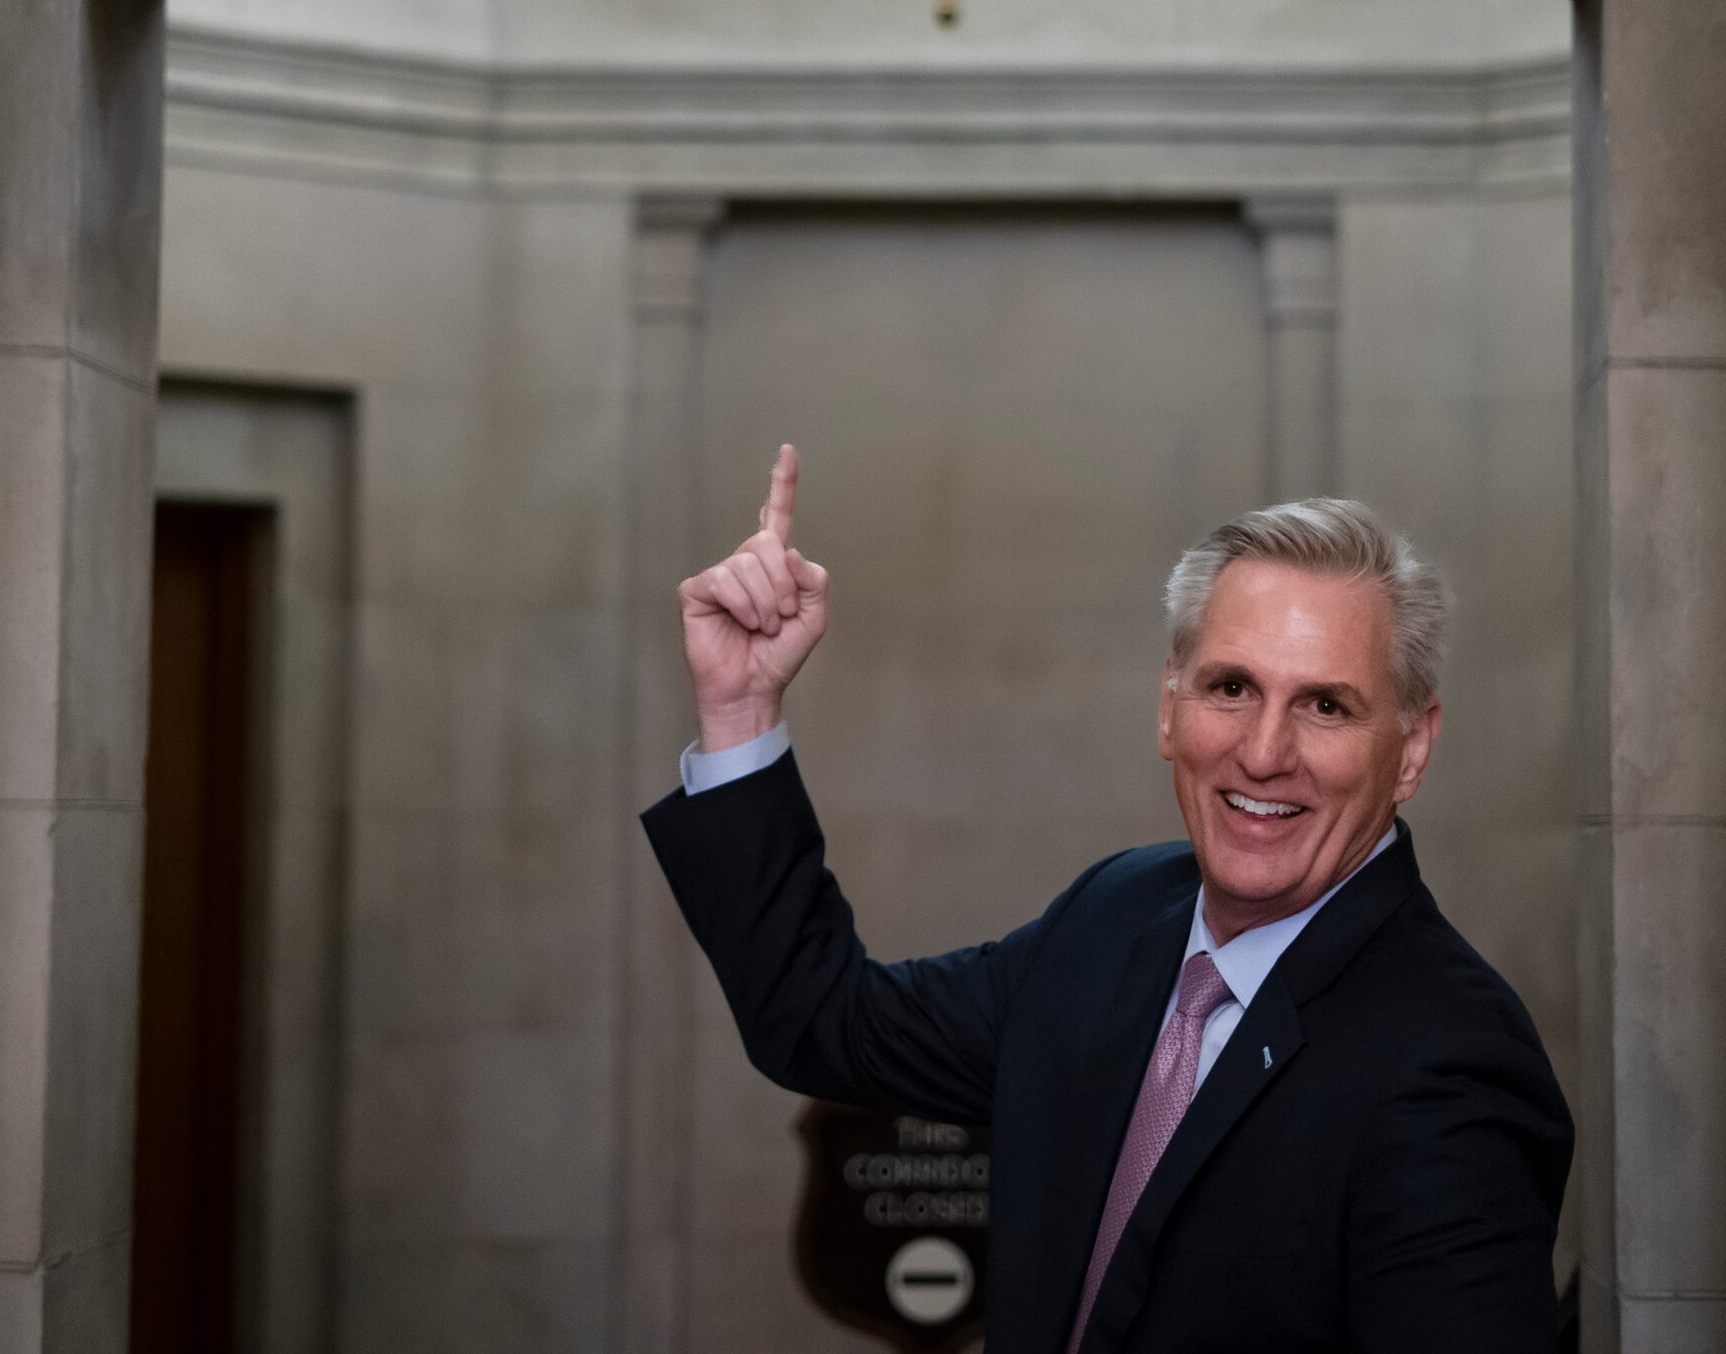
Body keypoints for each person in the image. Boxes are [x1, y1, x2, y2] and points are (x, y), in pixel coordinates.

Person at [642, 446, 1572, 1354]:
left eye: (1325, 706)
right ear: (1169, 706)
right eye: (1230, 687)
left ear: (1411, 749)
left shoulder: (1451, 1062)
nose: (1261, 752)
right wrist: (738, 711)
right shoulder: (1116, 915)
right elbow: (823, 1021)